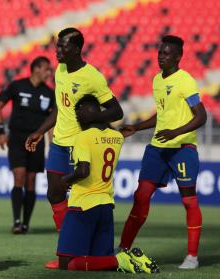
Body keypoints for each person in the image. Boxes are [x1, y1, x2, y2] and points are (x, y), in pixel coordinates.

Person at [24, 27, 123, 268]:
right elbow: (60, 108)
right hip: (59, 143)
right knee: (54, 193)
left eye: (62, 46)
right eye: (57, 45)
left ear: (77, 49)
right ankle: (66, 247)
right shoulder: (60, 70)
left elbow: (116, 111)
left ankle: (82, 248)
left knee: (82, 200)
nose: (57, 50)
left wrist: (92, 119)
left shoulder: (93, 77)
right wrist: (39, 131)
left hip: (81, 145)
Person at [118, 35, 206, 269]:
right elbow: (161, 115)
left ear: (178, 57)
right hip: (158, 148)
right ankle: (123, 250)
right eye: (159, 52)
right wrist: (136, 127)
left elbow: (201, 116)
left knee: (188, 201)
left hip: (182, 148)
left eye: (166, 54)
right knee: (141, 197)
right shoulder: (157, 80)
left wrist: (175, 132)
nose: (161, 56)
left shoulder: (185, 80)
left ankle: (192, 257)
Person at [55, 95, 158, 273]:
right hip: (105, 205)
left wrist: (64, 181)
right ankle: (125, 260)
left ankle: (119, 261)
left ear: (89, 111)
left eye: (78, 111)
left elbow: (82, 171)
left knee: (66, 264)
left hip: (83, 204)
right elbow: (111, 133)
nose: (77, 116)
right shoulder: (116, 137)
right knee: (100, 262)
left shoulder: (83, 137)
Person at [0, 56, 54, 234]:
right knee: (19, 176)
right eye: (46, 69)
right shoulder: (17, 86)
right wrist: (1, 132)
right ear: (36, 69)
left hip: (37, 141)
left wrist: (53, 145)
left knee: (31, 181)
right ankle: (17, 221)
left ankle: (26, 222)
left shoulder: (49, 93)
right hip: (18, 138)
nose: (49, 73)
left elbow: (52, 121)